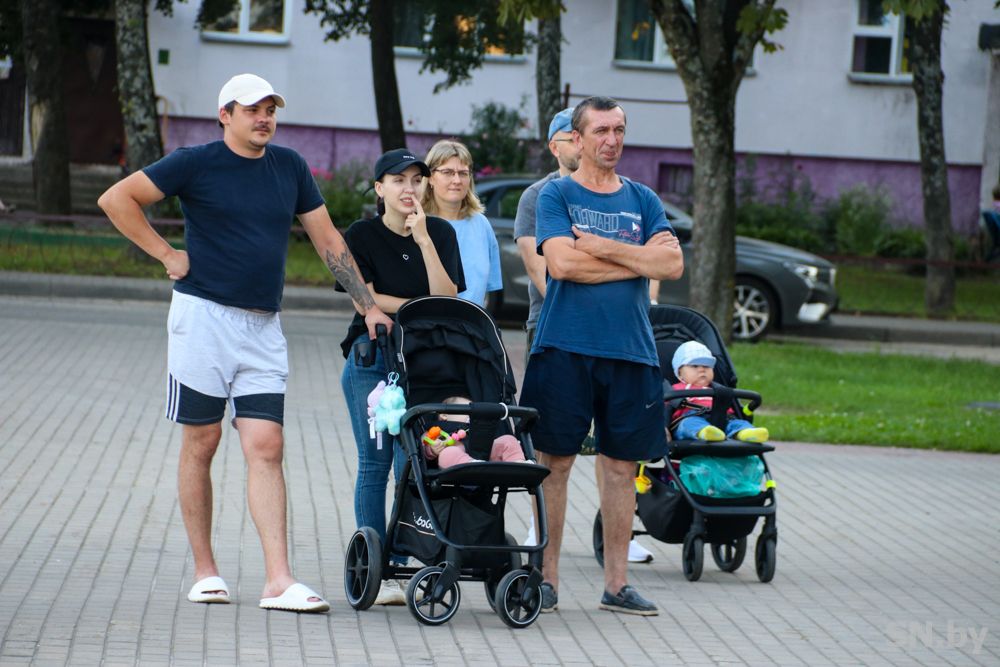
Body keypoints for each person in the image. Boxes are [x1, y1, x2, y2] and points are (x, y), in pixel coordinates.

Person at [97, 73, 393, 613]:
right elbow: (117, 199)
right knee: (203, 442)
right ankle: (205, 572)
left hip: (263, 327)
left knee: (267, 445)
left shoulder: (290, 167)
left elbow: (327, 238)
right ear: (225, 115)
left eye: (270, 109)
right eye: (253, 109)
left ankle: (278, 580)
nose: (264, 118)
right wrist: (167, 254)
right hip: (203, 321)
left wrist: (367, 305)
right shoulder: (195, 162)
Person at [519, 96, 684, 616]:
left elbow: (671, 265)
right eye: (601, 131)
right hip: (564, 347)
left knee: (620, 467)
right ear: (579, 137)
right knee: (554, 463)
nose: (612, 140)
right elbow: (563, 267)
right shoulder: (555, 194)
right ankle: (546, 579)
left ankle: (617, 585)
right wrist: (639, 260)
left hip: (630, 350)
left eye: (619, 130)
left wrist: (603, 246)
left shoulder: (642, 198)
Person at [338, 148, 465, 605]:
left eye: (416, 180)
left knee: (412, 465)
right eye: (398, 180)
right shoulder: (362, 235)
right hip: (373, 359)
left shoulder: (441, 233)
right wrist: (418, 306)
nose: (409, 189)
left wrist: (425, 239)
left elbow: (448, 297)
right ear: (380, 188)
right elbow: (366, 298)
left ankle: (401, 557)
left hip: (425, 365)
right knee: (376, 463)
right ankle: (375, 568)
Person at [421, 139, 502, 307]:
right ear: (430, 178)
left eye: (463, 173)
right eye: (448, 172)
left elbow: (487, 291)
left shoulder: (482, 225)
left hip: (471, 321)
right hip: (427, 320)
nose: (457, 180)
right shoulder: (418, 224)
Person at [669, 341, 769, 442]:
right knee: (688, 424)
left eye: (707, 366)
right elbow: (665, 410)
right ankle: (704, 432)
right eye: (695, 366)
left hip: (723, 418)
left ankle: (746, 433)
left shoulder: (719, 389)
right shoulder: (676, 389)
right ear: (680, 373)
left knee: (738, 423)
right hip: (691, 417)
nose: (702, 370)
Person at [421, 397, 528, 467]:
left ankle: (519, 463)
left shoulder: (475, 424)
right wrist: (431, 449)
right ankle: (470, 465)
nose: (472, 414)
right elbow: (423, 441)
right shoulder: (437, 428)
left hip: (484, 454)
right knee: (448, 454)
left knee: (508, 440)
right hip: (456, 460)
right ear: (444, 415)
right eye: (466, 411)